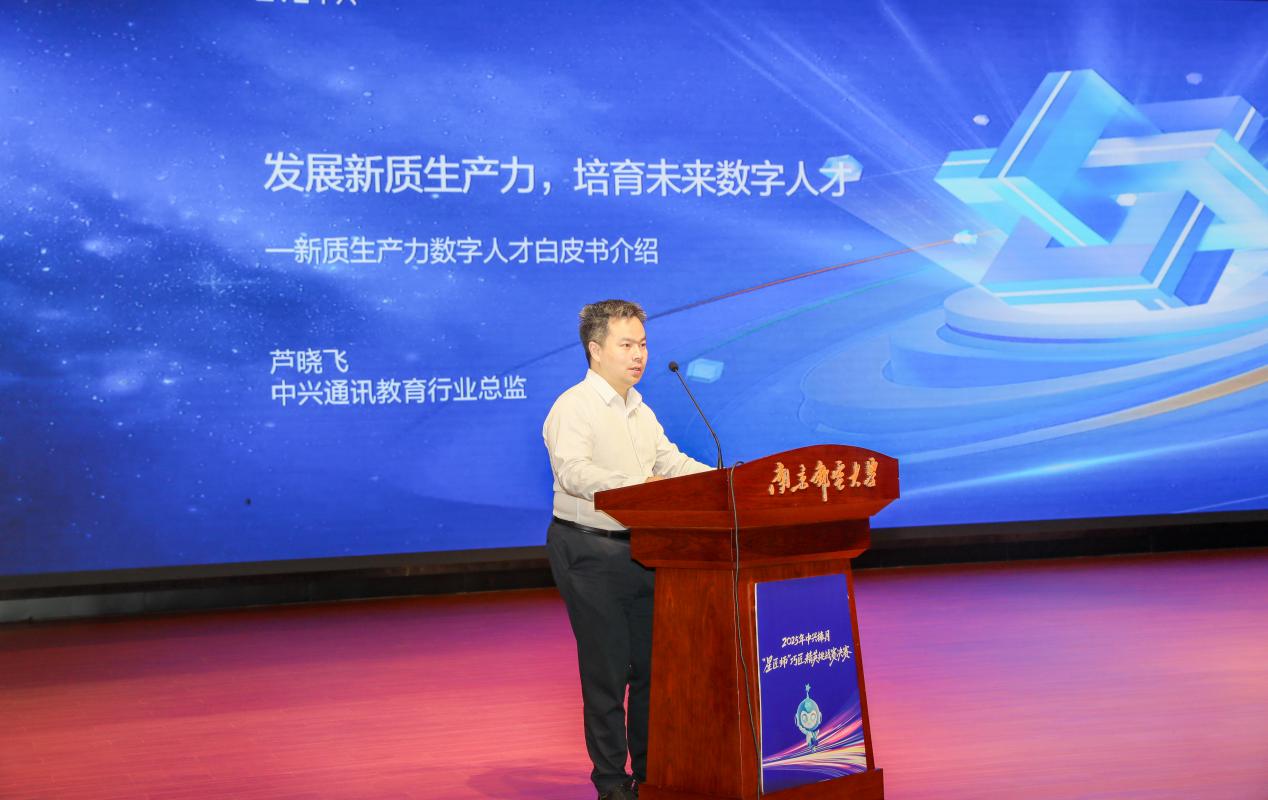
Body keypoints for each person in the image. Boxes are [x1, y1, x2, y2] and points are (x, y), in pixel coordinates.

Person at [543, 299, 712, 800]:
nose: (639, 355)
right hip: (588, 549)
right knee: (607, 671)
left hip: (644, 547)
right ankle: (613, 784)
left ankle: (651, 773)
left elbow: (671, 462)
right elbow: (572, 472)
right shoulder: (573, 406)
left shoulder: (639, 407)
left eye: (642, 344)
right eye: (626, 345)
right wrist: (638, 489)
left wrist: (725, 482)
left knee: (652, 669)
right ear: (596, 350)